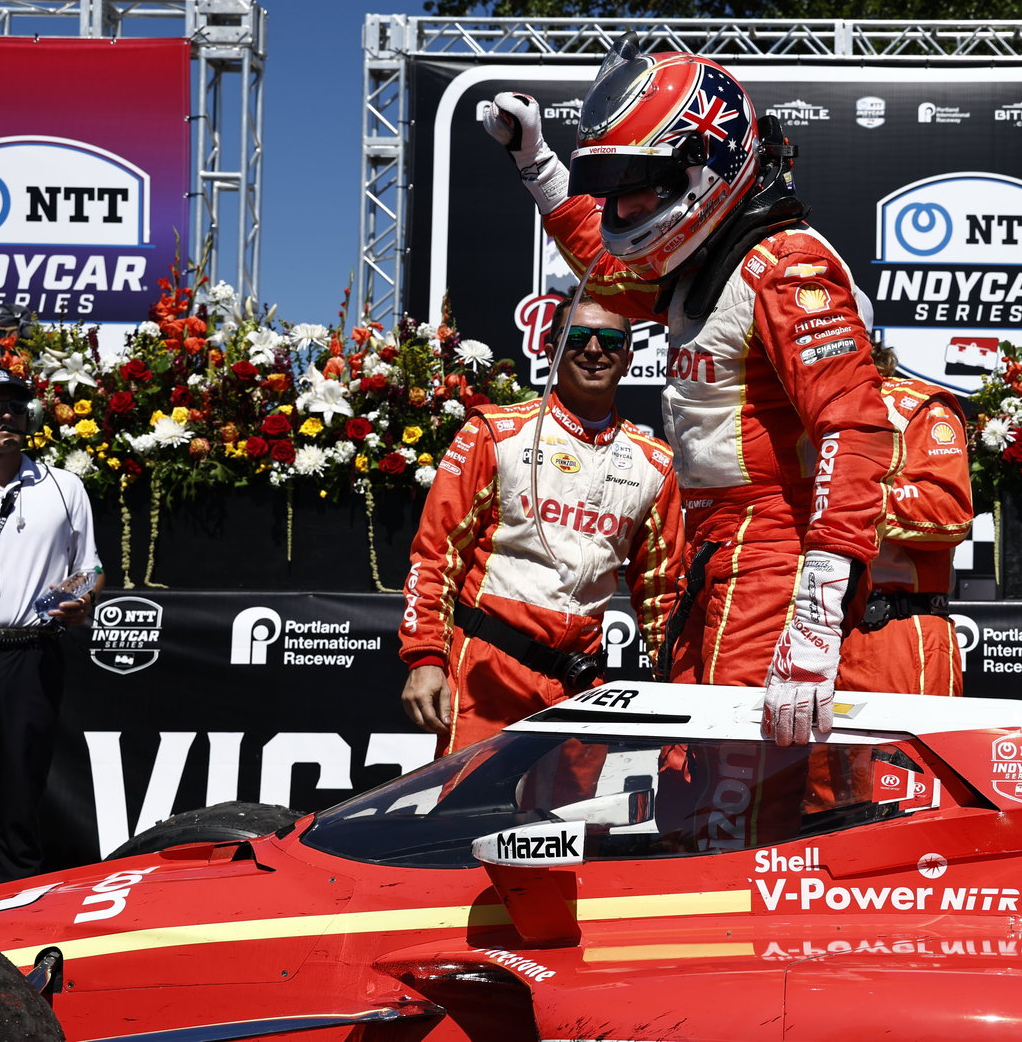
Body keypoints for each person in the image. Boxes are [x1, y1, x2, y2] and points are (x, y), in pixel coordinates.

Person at [482, 38, 901, 746]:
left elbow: (855, 430)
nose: (621, 204)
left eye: (637, 185)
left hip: (775, 551)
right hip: (713, 547)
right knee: (691, 766)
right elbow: (601, 255)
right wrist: (535, 160)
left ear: (705, 164)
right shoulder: (701, 265)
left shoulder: (786, 265)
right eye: (614, 186)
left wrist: (818, 615)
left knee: (735, 784)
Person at [400, 298, 684, 756]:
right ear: (551, 349)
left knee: (571, 826)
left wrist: (677, 684)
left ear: (629, 359)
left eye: (610, 340)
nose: (594, 349)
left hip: (582, 681)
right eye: (577, 337)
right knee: (467, 822)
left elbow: (663, 594)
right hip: (489, 669)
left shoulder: (654, 463)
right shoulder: (495, 432)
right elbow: (436, 556)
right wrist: (426, 657)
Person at [0, 366, 101, 882]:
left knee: (18, 791)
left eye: (16, 405)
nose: (7, 415)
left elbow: (91, 568)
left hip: (29, 654)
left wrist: (81, 601)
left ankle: (10, 928)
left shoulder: (63, 486)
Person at [837, 342, 974, 696]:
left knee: (901, 753)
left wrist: (850, 499)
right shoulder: (794, 413)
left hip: (894, 632)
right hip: (811, 635)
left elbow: (949, 510)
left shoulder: (918, 407)